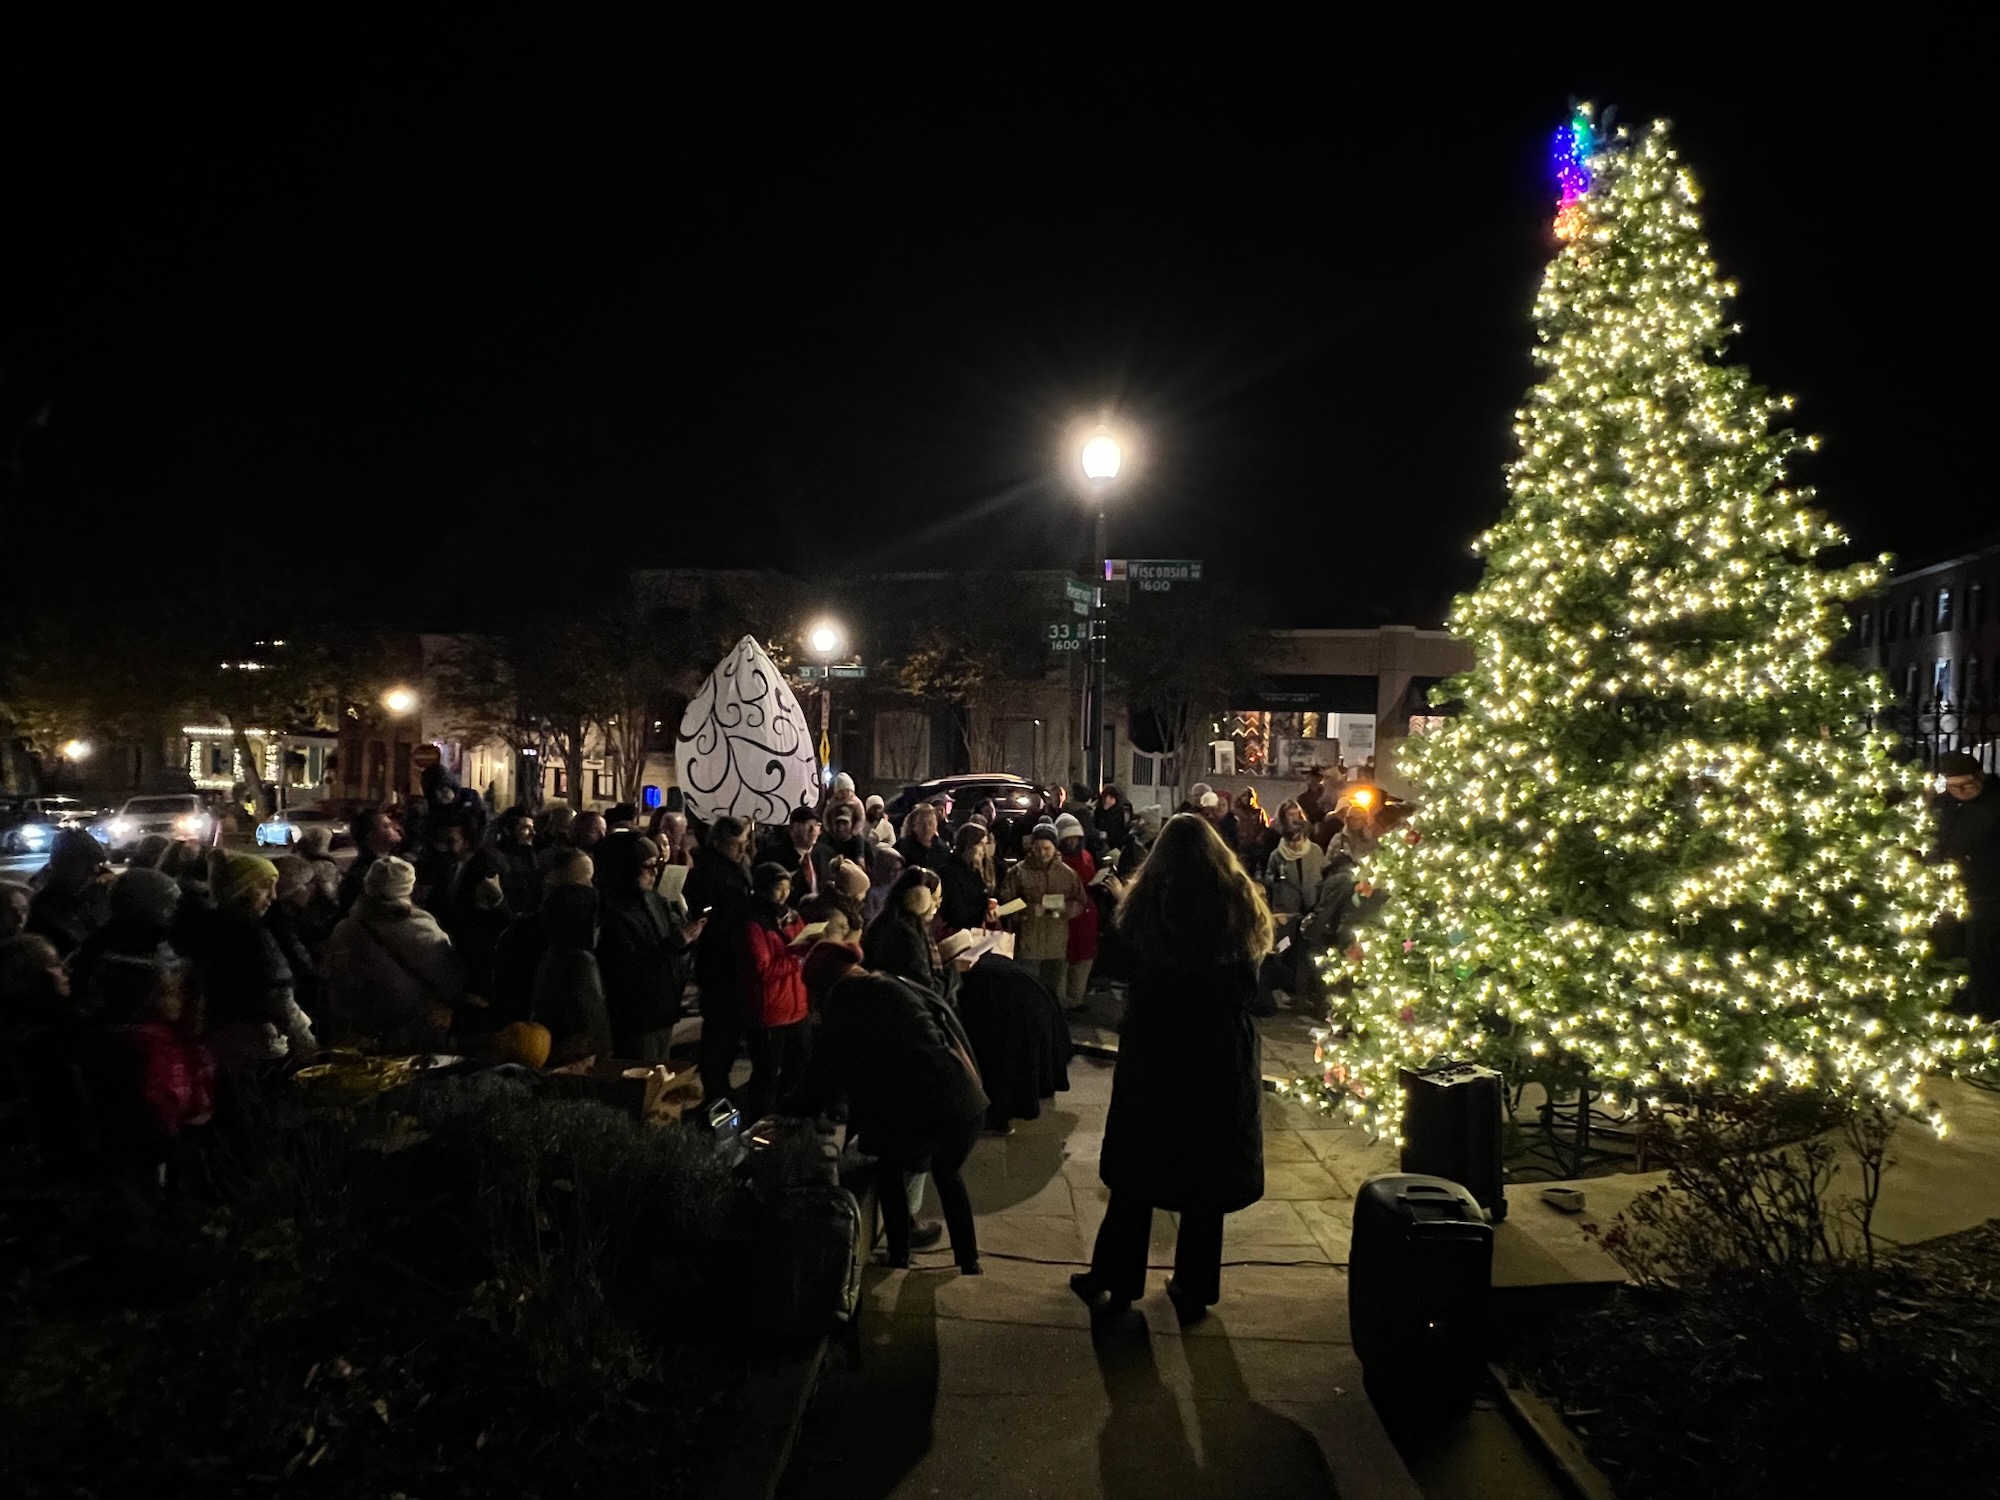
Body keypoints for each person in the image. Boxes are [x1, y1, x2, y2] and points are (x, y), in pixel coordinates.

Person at [1070, 813, 1273, 1325]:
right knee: (1206, 1174)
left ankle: (1117, 1282)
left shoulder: (1149, 902)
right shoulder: (1238, 901)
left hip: (1158, 1051)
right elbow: (1249, 980)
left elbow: (1117, 964)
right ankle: (1195, 1286)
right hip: (1217, 1056)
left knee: (1139, 1168)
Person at [786, 966, 987, 1273]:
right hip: (965, 1098)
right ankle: (969, 1262)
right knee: (948, 1173)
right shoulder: (894, 984)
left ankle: (899, 1257)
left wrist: (788, 1111)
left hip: (931, 1104)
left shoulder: (843, 1009)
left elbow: (821, 1077)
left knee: (889, 1168)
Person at [180, 854, 317, 1069]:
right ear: (242, 888)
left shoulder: (204, 925)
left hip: (219, 1040)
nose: (272, 896)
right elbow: (278, 991)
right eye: (264, 887)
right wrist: (304, 1038)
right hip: (258, 1042)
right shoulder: (251, 932)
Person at [324, 856, 463, 1051]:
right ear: (408, 888)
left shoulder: (344, 929)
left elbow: (335, 981)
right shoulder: (421, 929)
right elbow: (448, 978)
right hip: (412, 1031)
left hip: (360, 1034)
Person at [597, 834, 704, 1061]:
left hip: (663, 1007)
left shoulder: (654, 900)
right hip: (636, 1014)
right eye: (648, 867)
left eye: (658, 865)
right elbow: (627, 968)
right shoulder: (612, 913)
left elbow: (671, 941)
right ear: (627, 869)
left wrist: (686, 938)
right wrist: (676, 943)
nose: (656, 872)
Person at [687, 815, 755, 1110]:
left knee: (731, 1027)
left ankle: (721, 1083)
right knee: (719, 1029)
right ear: (718, 843)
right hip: (719, 960)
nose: (741, 851)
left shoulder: (740, 866)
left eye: (744, 844)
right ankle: (713, 1088)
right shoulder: (707, 872)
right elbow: (708, 913)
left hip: (737, 958)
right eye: (735, 845)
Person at [420, 807, 512, 1017]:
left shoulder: (490, 867)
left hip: (479, 968)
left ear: (468, 840)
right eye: (439, 841)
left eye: (450, 841)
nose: (443, 848)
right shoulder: (443, 866)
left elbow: (506, 921)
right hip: (451, 964)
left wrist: (497, 902)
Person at [738, 862, 809, 1122]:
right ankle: (761, 1123)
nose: (784, 894)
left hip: (797, 1006)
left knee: (798, 1068)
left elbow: (802, 943)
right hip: (771, 1011)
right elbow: (763, 970)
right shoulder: (755, 925)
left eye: (787, 888)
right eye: (778, 889)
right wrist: (796, 960)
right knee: (766, 1074)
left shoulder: (792, 916)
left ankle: (787, 1118)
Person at [491, 848, 594, 1027]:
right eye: (583, 883)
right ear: (551, 886)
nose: (591, 889)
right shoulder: (522, 935)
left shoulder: (590, 931)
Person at [1937, 751, 2000, 1015]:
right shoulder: (1943, 804)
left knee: (1983, 959)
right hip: (1948, 893)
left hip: (1987, 894)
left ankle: (1987, 1013)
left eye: (1966, 785)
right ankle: (1956, 1011)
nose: (1960, 791)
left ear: (1980, 778)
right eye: (1953, 786)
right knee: (1950, 954)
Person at [999, 823, 1086, 999]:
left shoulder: (1067, 874)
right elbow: (1005, 905)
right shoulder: (1018, 872)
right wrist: (1029, 909)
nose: (1042, 853)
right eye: (1038, 848)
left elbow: (1080, 901)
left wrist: (1066, 909)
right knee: (1026, 994)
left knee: (1051, 995)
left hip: (1056, 945)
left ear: (1055, 847)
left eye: (1047, 848)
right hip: (1028, 944)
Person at [531, 882, 613, 1064]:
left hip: (551, 1048)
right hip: (577, 1059)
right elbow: (592, 1019)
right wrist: (603, 1056)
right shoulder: (582, 962)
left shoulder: (554, 952)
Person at [27, 829, 112, 958]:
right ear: (62, 864)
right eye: (87, 863)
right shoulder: (36, 906)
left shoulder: (98, 891)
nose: (93, 871)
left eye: (96, 864)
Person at [864, 867, 948, 995]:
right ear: (918, 899)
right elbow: (928, 990)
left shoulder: (882, 923)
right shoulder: (908, 936)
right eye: (934, 899)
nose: (937, 905)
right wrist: (953, 974)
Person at [265, 855, 327, 1027]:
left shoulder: (286, 914)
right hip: (299, 1002)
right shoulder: (282, 920)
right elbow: (301, 963)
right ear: (293, 888)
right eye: (307, 884)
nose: (311, 889)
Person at [1051, 814, 1103, 1006]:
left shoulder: (1087, 856)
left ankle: (1076, 999)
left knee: (1082, 961)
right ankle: (1062, 1001)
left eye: (1075, 838)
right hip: (1065, 917)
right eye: (1067, 838)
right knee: (1063, 961)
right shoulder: (1057, 861)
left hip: (1086, 916)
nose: (1072, 842)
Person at [337, 806, 404, 917]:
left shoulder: (383, 865)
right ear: (371, 836)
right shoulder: (368, 875)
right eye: (386, 826)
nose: (396, 828)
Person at [938, 822, 997, 934]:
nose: (983, 851)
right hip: (959, 935)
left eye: (985, 844)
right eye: (980, 844)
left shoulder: (976, 870)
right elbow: (955, 911)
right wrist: (982, 912)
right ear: (968, 845)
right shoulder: (949, 872)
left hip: (976, 932)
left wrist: (989, 904)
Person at [761, 805, 824, 900]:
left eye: (817, 825)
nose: (813, 830)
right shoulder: (771, 857)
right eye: (807, 825)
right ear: (793, 829)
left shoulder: (826, 854)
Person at [489, 807, 542, 913]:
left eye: (533, 828)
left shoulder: (531, 853)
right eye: (526, 828)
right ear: (508, 830)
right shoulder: (498, 859)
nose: (533, 833)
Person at [813, 802, 873, 891]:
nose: (840, 828)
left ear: (852, 823)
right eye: (837, 823)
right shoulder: (823, 844)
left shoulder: (863, 845)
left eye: (845, 823)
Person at [895, 803, 952, 879]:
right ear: (914, 825)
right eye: (921, 823)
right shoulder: (902, 847)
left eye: (930, 823)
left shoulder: (943, 849)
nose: (927, 828)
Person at [862, 843, 904, 927]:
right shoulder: (872, 892)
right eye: (893, 870)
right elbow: (869, 920)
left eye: (899, 870)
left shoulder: (900, 888)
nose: (896, 874)